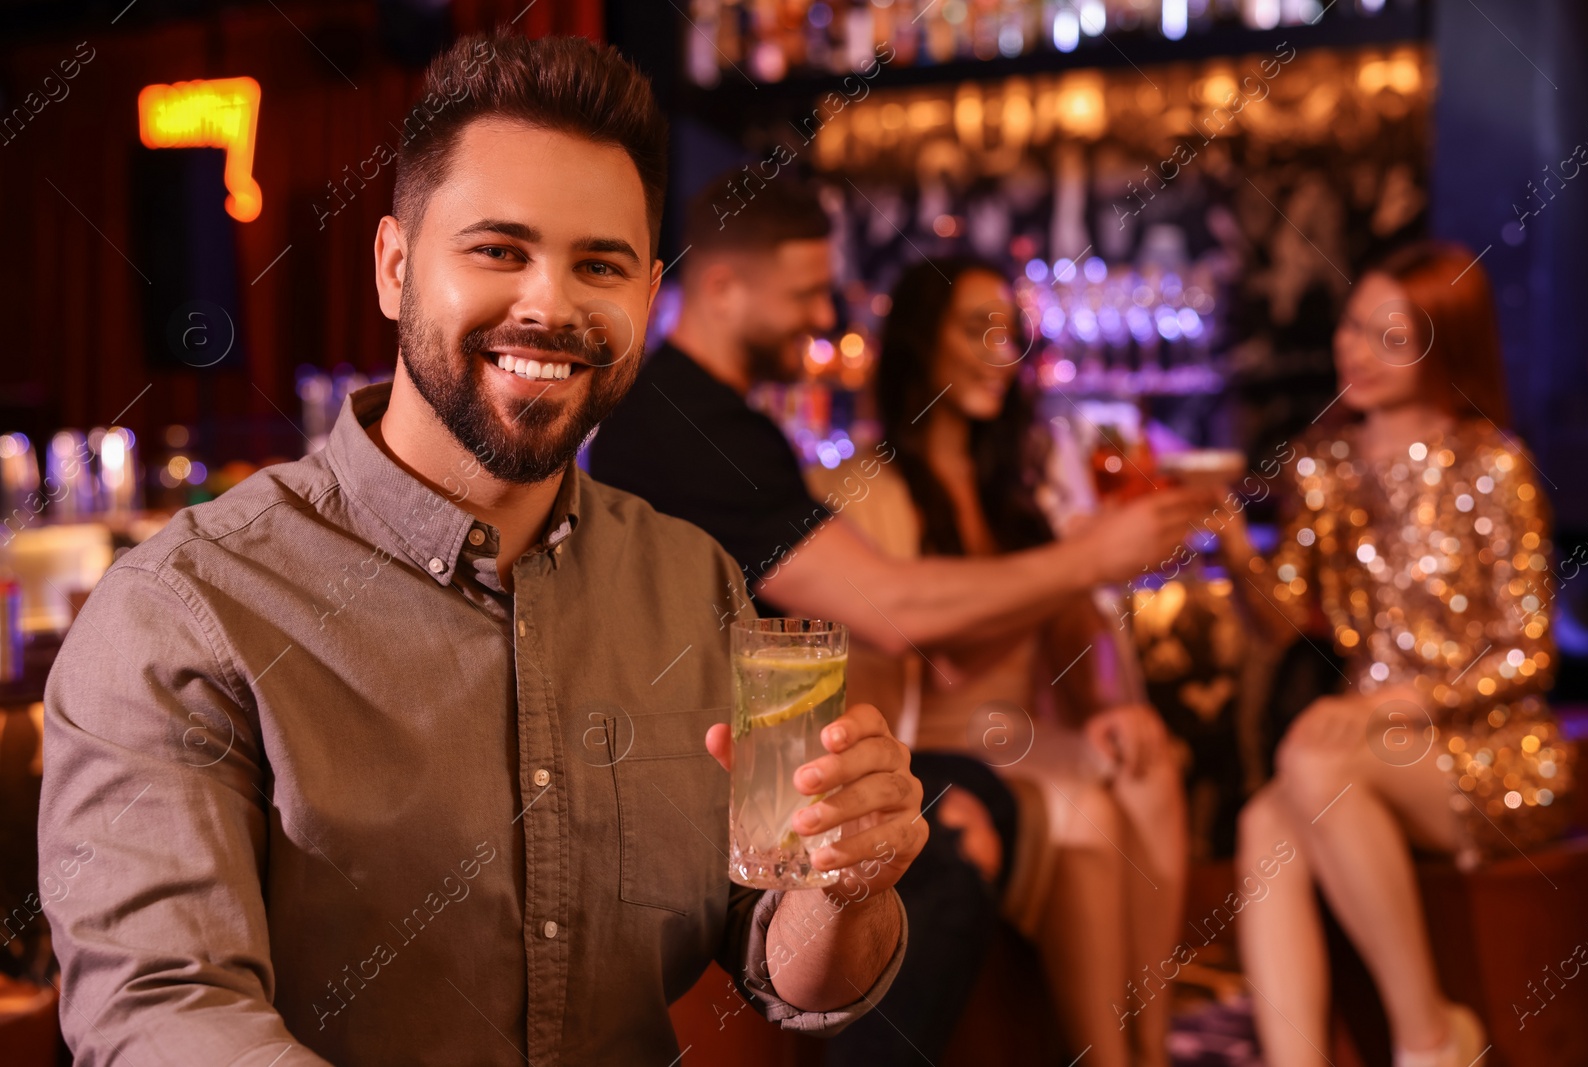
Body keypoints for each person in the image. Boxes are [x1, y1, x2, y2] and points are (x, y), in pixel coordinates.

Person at [38, 35, 927, 1067]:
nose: (549, 306)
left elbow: (782, 963)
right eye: (499, 250)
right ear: (394, 267)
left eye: (599, 264)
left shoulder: (693, 585)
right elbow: (162, 1014)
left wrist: (842, 887)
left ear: (647, 299)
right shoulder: (183, 610)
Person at [589, 175, 1205, 1064]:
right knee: (950, 838)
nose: (821, 314)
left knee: (989, 800)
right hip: (705, 778)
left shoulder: (715, 420)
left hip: (752, 759)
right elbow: (896, 610)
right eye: (804, 293)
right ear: (723, 287)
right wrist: (1093, 556)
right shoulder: (688, 424)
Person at [806, 257, 1188, 1067]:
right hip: (933, 748)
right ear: (920, 342)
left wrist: (1115, 696)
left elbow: (1077, 632)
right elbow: (936, 649)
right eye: (976, 328)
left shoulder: (1018, 491)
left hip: (1025, 736)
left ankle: (1153, 1046)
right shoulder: (861, 490)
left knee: (1146, 757)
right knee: (1087, 809)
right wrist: (1076, 562)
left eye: (1010, 331)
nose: (1000, 349)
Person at [1214, 242, 1574, 1067]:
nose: (1358, 351)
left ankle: (1427, 1038)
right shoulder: (1323, 465)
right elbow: (1283, 622)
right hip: (1357, 745)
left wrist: (1385, 705)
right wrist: (1233, 550)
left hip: (1490, 748)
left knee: (1308, 756)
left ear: (1443, 341)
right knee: (1262, 818)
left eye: (1391, 334)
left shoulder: (1494, 464)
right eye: (1351, 326)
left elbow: (1530, 656)